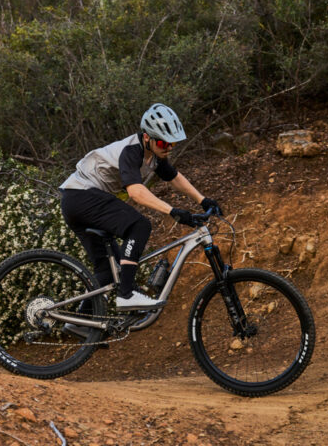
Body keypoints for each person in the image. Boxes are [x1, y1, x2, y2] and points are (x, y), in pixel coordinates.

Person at [59, 103, 221, 311]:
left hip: (75, 201)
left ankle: (79, 324)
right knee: (139, 225)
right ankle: (126, 295)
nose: (168, 148)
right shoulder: (131, 151)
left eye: (172, 143)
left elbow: (174, 177)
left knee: (108, 273)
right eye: (163, 143)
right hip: (81, 196)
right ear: (147, 137)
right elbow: (135, 192)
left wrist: (203, 200)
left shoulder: (154, 154)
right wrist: (173, 212)